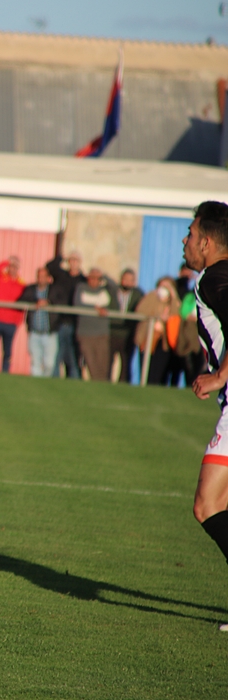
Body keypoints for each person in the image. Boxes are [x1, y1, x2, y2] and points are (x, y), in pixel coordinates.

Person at [180, 202, 228, 630]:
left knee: (207, 504)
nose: (185, 240)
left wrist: (219, 376)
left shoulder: (215, 277)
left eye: (190, 232)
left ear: (207, 242)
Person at [133, 277, 181, 385]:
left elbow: (177, 313)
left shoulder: (173, 301)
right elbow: (140, 311)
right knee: (146, 365)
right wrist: (157, 317)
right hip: (147, 337)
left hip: (164, 340)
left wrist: (173, 296)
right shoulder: (151, 296)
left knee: (159, 369)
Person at [47, 250, 86, 379]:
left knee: (73, 356)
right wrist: (62, 257)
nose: (73, 263)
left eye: (76, 260)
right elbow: (50, 266)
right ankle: (55, 380)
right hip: (60, 321)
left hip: (76, 323)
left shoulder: (83, 280)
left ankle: (74, 380)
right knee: (57, 354)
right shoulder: (62, 276)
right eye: (71, 260)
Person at [73, 268, 116, 382]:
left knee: (103, 363)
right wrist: (95, 309)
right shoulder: (81, 288)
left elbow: (115, 288)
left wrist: (104, 275)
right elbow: (77, 305)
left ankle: (102, 386)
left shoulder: (104, 290)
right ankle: (96, 383)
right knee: (91, 363)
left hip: (102, 333)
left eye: (97, 278)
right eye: (91, 278)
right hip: (85, 333)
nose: (94, 281)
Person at [19, 266, 63, 377]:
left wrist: (48, 302)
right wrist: (36, 302)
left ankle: (46, 382)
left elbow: (62, 301)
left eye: (43, 276)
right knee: (35, 361)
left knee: (49, 363)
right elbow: (21, 299)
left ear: (48, 278)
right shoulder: (31, 289)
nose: (41, 279)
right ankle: (36, 384)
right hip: (35, 332)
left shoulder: (55, 289)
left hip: (49, 333)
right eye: (39, 276)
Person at [0, 257, 26, 373]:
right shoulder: (0, 277)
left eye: (15, 267)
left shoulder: (21, 284)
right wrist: (6, 261)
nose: (12, 269)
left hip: (11, 322)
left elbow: (22, 304)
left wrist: (18, 321)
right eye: (11, 266)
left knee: (7, 350)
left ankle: (5, 372)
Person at [109, 269, 144, 384]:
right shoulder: (112, 291)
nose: (128, 283)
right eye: (126, 279)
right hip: (113, 331)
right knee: (108, 361)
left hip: (129, 333)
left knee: (126, 362)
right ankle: (106, 383)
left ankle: (123, 384)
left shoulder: (138, 294)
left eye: (131, 280)